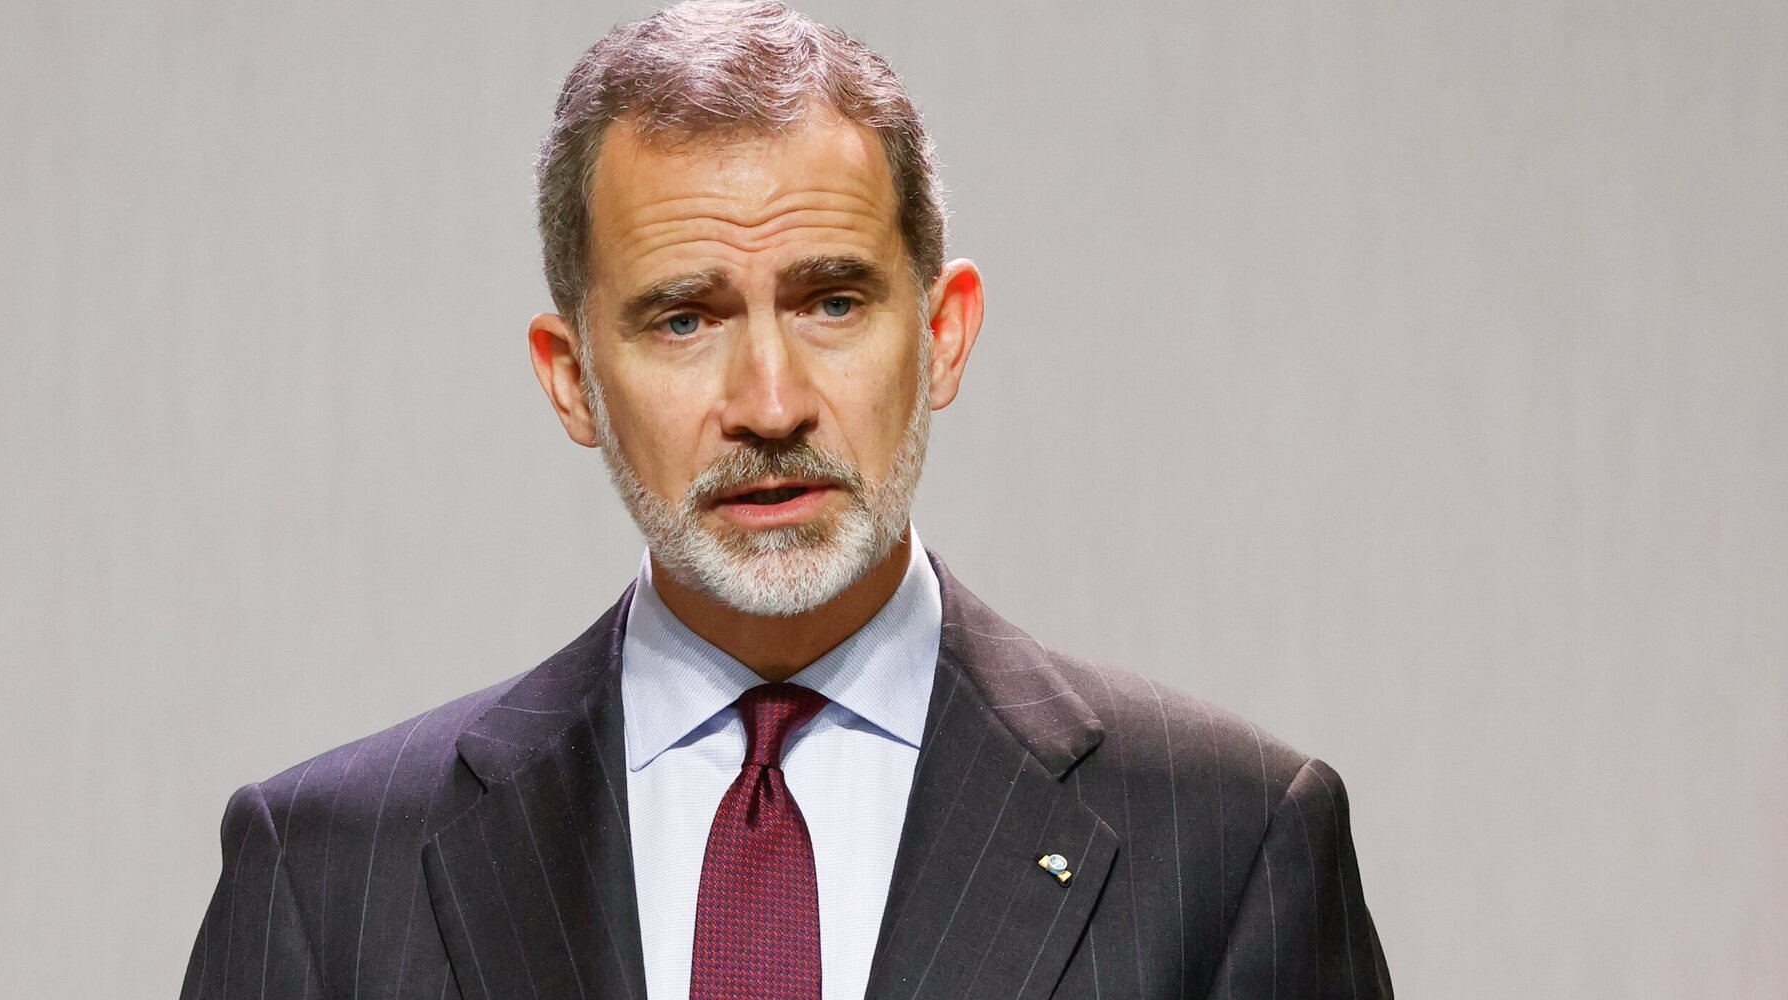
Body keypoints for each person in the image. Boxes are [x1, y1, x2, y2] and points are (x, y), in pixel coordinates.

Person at [180, 2, 1393, 998]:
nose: (769, 403)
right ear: (572, 379)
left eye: (832, 302)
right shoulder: (329, 875)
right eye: (683, 318)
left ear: (943, 332)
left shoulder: (1227, 843)